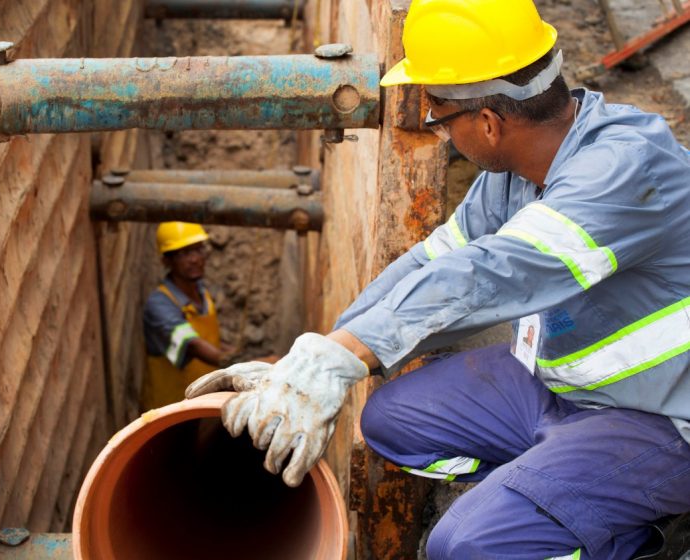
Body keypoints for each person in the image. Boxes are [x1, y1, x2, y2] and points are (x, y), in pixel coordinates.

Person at [185, 0, 690, 558]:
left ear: (490, 123)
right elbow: (432, 263)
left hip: (661, 418)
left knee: (461, 547)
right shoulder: (521, 171)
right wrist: (321, 355)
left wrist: (343, 357)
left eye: (440, 115)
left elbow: (490, 274)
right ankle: (553, 491)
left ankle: (630, 536)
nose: (439, 131)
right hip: (565, 382)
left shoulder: (623, 170)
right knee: (390, 421)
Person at [141, 222, 234, 411]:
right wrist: (237, 363)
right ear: (166, 261)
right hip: (171, 410)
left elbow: (208, 338)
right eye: (184, 253)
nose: (194, 259)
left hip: (206, 401)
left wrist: (233, 352)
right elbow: (192, 345)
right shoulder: (160, 305)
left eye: (198, 250)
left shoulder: (201, 292)